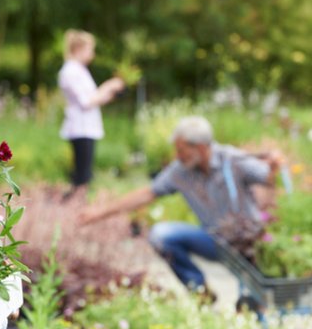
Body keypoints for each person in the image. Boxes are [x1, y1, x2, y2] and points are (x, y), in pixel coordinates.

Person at [79, 116, 281, 299]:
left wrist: (275, 167)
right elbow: (147, 193)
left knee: (253, 299)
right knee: (161, 235)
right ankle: (199, 290)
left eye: (181, 150)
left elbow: (269, 178)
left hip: (247, 242)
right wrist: (99, 213)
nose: (177, 156)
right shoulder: (181, 171)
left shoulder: (233, 160)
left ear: (201, 148)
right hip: (212, 239)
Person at [58, 29, 124, 201]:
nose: (92, 54)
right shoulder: (70, 71)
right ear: (79, 49)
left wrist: (113, 92)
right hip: (80, 126)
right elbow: (86, 101)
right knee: (82, 174)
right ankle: (76, 205)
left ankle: (77, 202)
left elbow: (95, 98)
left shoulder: (79, 70)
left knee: (84, 171)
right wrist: (109, 86)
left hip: (86, 125)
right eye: (90, 50)